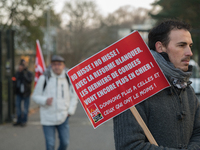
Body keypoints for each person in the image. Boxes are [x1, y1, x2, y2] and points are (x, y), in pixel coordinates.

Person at [113, 19, 200, 149]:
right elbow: (129, 146)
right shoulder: (134, 91)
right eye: (181, 45)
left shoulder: (187, 89)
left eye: (190, 46)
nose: (189, 53)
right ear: (160, 47)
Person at [32, 55, 78, 150]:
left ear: (63, 65)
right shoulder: (44, 78)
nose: (57, 66)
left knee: (65, 143)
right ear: (51, 65)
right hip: (48, 117)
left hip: (63, 117)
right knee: (50, 145)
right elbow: (35, 96)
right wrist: (45, 100)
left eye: (59, 64)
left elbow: (74, 96)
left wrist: (70, 111)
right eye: (54, 64)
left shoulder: (68, 78)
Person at [13, 59, 33, 127]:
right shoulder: (17, 73)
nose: (21, 67)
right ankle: (19, 120)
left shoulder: (29, 73)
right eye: (20, 65)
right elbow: (14, 80)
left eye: (23, 65)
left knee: (25, 108)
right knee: (18, 107)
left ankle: (24, 121)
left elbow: (29, 80)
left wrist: (24, 73)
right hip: (18, 93)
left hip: (26, 93)